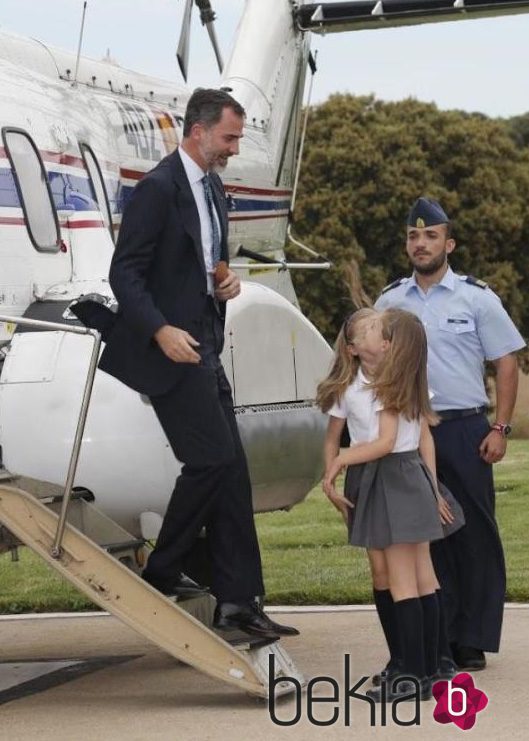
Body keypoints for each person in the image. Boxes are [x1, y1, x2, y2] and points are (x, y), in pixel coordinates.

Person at [98, 88, 297, 639]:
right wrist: (160, 330)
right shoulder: (158, 190)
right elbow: (125, 275)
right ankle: (163, 569)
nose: (234, 147)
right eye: (230, 137)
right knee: (210, 463)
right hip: (171, 352)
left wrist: (225, 280)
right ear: (199, 130)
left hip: (207, 347)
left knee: (233, 474)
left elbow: (207, 263)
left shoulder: (212, 187)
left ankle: (240, 604)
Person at [375, 197, 526, 670]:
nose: (421, 244)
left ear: (449, 242)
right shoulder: (390, 301)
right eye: (414, 236)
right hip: (406, 433)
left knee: (473, 535)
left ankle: (471, 638)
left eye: (431, 236)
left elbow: (507, 361)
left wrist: (500, 426)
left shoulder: (477, 298)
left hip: (464, 430)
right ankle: (436, 635)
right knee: (419, 536)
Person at [321, 308, 452, 702]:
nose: (380, 331)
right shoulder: (371, 385)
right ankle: (421, 669)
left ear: (393, 345)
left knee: (406, 581)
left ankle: (416, 674)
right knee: (408, 577)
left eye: (381, 328)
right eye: (372, 328)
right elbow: (335, 438)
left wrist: (343, 459)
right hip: (383, 478)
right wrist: (336, 468)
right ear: (354, 348)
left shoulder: (392, 386)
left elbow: (387, 443)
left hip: (395, 476)